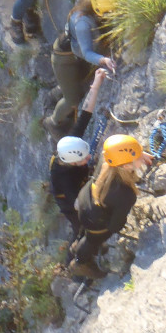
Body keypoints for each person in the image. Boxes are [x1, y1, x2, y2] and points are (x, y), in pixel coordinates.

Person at [42, 0, 118, 141]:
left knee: (76, 84)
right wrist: (103, 59)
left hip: (74, 52)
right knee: (73, 100)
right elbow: (87, 52)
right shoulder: (82, 23)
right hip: (65, 59)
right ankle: (53, 122)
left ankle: (57, 92)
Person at [70, 134, 152, 280]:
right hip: (94, 221)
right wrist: (116, 226)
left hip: (85, 199)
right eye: (138, 156)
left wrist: (138, 154)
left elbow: (119, 153)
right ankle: (79, 263)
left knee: (87, 233)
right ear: (126, 166)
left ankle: (77, 244)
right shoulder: (126, 194)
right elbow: (115, 226)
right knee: (92, 239)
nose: (141, 157)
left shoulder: (108, 161)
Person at [49, 68, 106, 242]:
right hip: (70, 202)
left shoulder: (70, 144)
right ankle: (77, 252)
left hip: (79, 181)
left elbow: (86, 113)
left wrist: (96, 83)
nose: (89, 157)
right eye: (84, 158)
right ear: (73, 163)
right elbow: (78, 204)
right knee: (82, 230)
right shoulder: (64, 180)